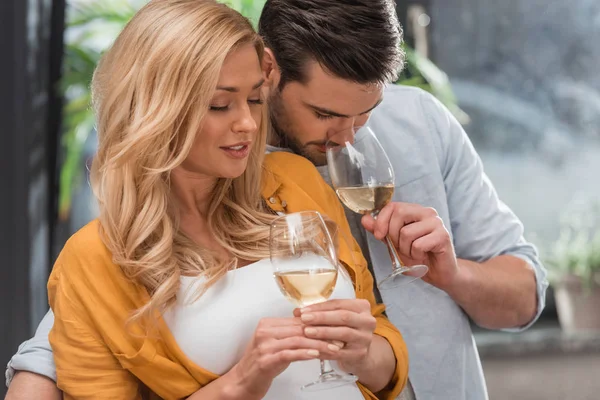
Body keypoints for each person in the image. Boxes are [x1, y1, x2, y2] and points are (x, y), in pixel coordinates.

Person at [5, 0, 549, 399]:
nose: (350, 136)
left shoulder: (422, 123)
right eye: (326, 115)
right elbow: (89, 312)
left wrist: (452, 275)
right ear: (270, 69)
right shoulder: (224, 159)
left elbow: (526, 295)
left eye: (366, 113)